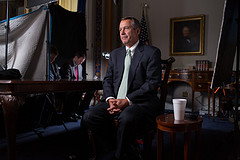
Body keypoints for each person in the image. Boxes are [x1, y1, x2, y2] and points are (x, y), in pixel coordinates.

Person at [83, 16, 162, 160]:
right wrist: (110, 98)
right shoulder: (115, 54)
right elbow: (108, 80)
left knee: (126, 118)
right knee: (89, 117)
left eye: (126, 28)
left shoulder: (152, 52)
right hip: (115, 100)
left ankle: (119, 155)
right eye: (120, 29)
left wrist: (127, 100)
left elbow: (152, 83)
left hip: (139, 102)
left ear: (137, 31)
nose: (122, 32)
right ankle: (125, 147)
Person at [60, 52, 94, 122]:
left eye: (82, 61)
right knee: (73, 93)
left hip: (76, 87)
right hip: (67, 87)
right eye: (81, 61)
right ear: (76, 58)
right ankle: (68, 115)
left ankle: (80, 110)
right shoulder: (68, 64)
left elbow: (80, 78)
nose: (81, 63)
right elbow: (67, 79)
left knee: (91, 90)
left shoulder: (80, 66)